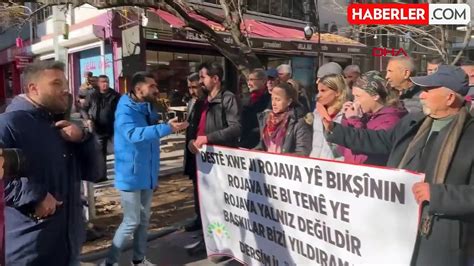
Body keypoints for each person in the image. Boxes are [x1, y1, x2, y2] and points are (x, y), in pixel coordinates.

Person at [321, 65, 473, 266]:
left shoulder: (470, 136)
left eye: (428, 90)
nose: (422, 96)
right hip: (401, 228)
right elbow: (382, 141)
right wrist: (336, 130)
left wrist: (437, 195)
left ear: (450, 98)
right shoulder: (415, 121)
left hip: (441, 239)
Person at [0, 61, 99, 265]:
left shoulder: (62, 124)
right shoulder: (8, 124)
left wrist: (84, 139)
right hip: (31, 249)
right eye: (56, 83)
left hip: (68, 244)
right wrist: (35, 195)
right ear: (32, 88)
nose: (65, 89)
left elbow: (95, 173)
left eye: (65, 83)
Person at [102, 72, 188, 266]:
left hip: (146, 174)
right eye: (152, 86)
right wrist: (167, 128)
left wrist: (153, 176)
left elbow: (150, 140)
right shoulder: (125, 110)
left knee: (144, 221)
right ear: (138, 89)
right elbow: (133, 134)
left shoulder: (146, 107)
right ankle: (110, 262)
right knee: (131, 221)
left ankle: (139, 260)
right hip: (130, 175)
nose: (156, 90)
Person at [339, 71, 407, 166]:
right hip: (353, 174)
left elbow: (366, 147)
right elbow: (344, 150)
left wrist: (354, 120)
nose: (355, 101)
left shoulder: (391, 119)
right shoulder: (365, 116)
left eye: (358, 96)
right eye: (354, 96)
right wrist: (346, 120)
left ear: (375, 96)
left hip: (373, 176)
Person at [188, 62, 241, 151]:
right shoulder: (200, 101)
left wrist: (208, 138)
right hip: (200, 156)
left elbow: (236, 128)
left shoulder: (228, 98)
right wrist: (191, 142)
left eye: (203, 78)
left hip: (220, 156)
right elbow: (194, 126)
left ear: (215, 79)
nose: (200, 82)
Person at [81, 75, 121, 182]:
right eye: (103, 82)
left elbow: (121, 110)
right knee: (100, 152)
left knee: (119, 151)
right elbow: (84, 109)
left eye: (107, 82)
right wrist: (88, 119)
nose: (105, 84)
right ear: (98, 83)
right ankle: (101, 176)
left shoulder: (115, 96)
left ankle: (121, 174)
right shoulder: (92, 95)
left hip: (113, 127)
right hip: (97, 128)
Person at [256, 82, 312, 155]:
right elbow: (263, 145)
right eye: (272, 99)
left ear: (289, 101)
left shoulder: (298, 122)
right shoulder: (266, 118)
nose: (273, 103)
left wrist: (281, 159)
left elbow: (303, 152)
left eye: (278, 100)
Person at [183, 73, 205, 232]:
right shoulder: (192, 102)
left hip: (204, 151)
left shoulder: (208, 102)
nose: (191, 91)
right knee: (196, 186)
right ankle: (199, 217)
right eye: (189, 87)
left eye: (194, 87)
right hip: (191, 151)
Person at [310, 74, 347, 160]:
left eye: (323, 91)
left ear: (337, 92)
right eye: (318, 91)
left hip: (336, 168)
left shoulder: (346, 115)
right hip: (314, 166)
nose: (318, 95)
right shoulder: (317, 112)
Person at [239, 69, 271, 149]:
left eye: (252, 80)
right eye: (247, 80)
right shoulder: (244, 99)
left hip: (261, 146)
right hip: (243, 144)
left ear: (263, 81)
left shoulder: (271, 100)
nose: (248, 83)